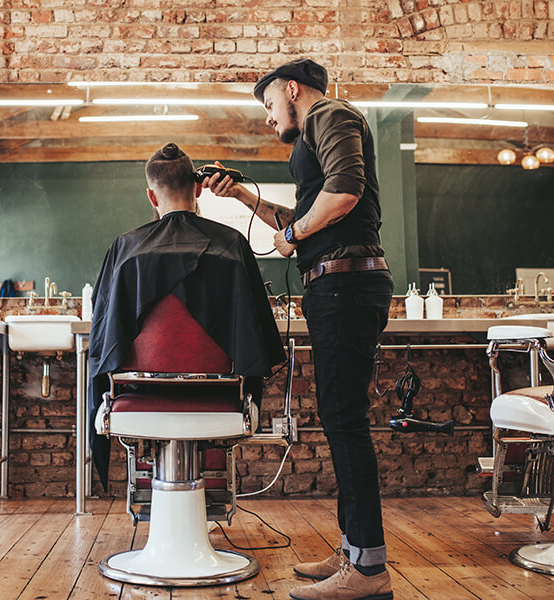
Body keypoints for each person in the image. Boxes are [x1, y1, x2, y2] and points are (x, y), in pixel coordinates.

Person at [203, 59, 394, 600]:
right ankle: (354, 549)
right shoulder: (315, 134)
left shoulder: (328, 115)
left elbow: (345, 195)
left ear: (292, 90)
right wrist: (243, 198)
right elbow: (304, 217)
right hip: (337, 285)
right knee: (340, 419)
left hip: (347, 286)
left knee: (345, 421)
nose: (268, 118)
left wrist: (295, 232)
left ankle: (369, 570)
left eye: (268, 105)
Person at [88, 142, 285, 491]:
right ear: (198, 188)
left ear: (151, 196)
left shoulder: (124, 248)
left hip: (140, 392)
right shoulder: (232, 244)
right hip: (219, 393)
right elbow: (256, 336)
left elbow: (105, 335)